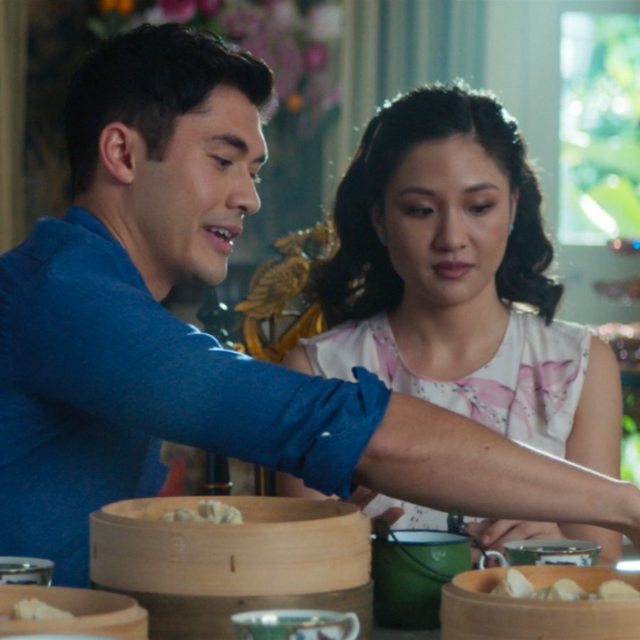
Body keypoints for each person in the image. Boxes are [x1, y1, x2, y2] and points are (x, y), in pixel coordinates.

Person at [1, 24, 638, 588]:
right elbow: (332, 426)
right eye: (222, 160)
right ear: (122, 153)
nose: (249, 199)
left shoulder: (85, 289)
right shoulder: (66, 300)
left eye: (252, 171)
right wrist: (627, 505)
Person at [277, 81, 623, 564]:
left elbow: (604, 563)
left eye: (479, 207)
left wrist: (554, 540)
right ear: (379, 218)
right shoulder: (319, 373)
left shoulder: (578, 366)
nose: (451, 237)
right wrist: (348, 543)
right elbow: (299, 570)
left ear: (513, 207)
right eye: (420, 210)